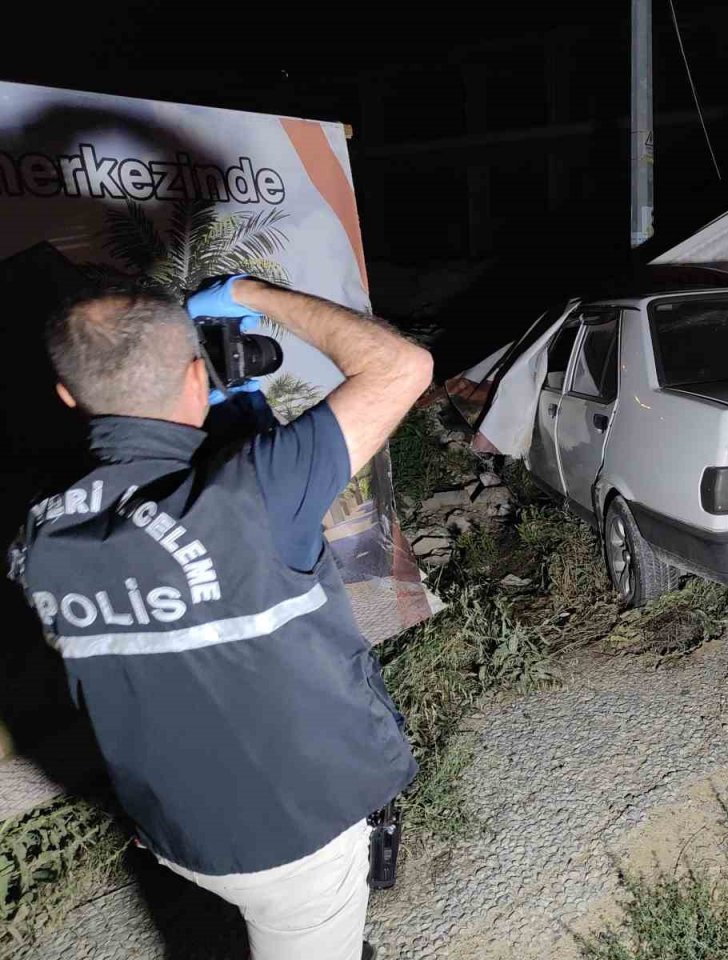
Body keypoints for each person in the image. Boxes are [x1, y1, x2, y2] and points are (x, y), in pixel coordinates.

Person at [12, 275, 433, 960]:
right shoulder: (254, 493)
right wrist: (247, 292)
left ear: (68, 395)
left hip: (174, 826)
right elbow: (402, 366)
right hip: (293, 839)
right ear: (195, 374)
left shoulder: (38, 530)